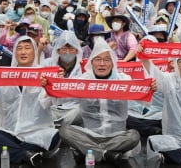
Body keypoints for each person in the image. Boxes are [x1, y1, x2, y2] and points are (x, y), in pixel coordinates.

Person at [58, 37, 141, 165]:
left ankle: (88, 151)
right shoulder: (83, 80)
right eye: (98, 59)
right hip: (89, 135)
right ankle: (106, 154)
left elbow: (141, 94)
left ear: (112, 63)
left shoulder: (124, 79)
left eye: (106, 60)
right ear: (92, 63)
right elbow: (61, 97)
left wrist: (150, 87)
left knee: (134, 136)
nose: (102, 64)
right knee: (64, 131)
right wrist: (58, 83)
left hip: (116, 136)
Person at [0, 36, 60, 166]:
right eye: (19, 49)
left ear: (35, 51)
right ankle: (24, 155)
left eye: (27, 48)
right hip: (10, 133)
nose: (23, 52)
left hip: (36, 133)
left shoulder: (43, 76)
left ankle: (5, 152)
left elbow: (48, 103)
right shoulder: (6, 76)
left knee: (53, 136)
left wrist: (49, 87)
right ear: (14, 53)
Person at [42, 30, 83, 126]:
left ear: (77, 50)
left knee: (81, 112)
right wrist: (52, 85)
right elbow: (39, 92)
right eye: (64, 49)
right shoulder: (47, 64)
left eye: (71, 49)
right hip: (51, 107)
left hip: (74, 108)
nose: (67, 52)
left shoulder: (83, 67)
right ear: (58, 50)